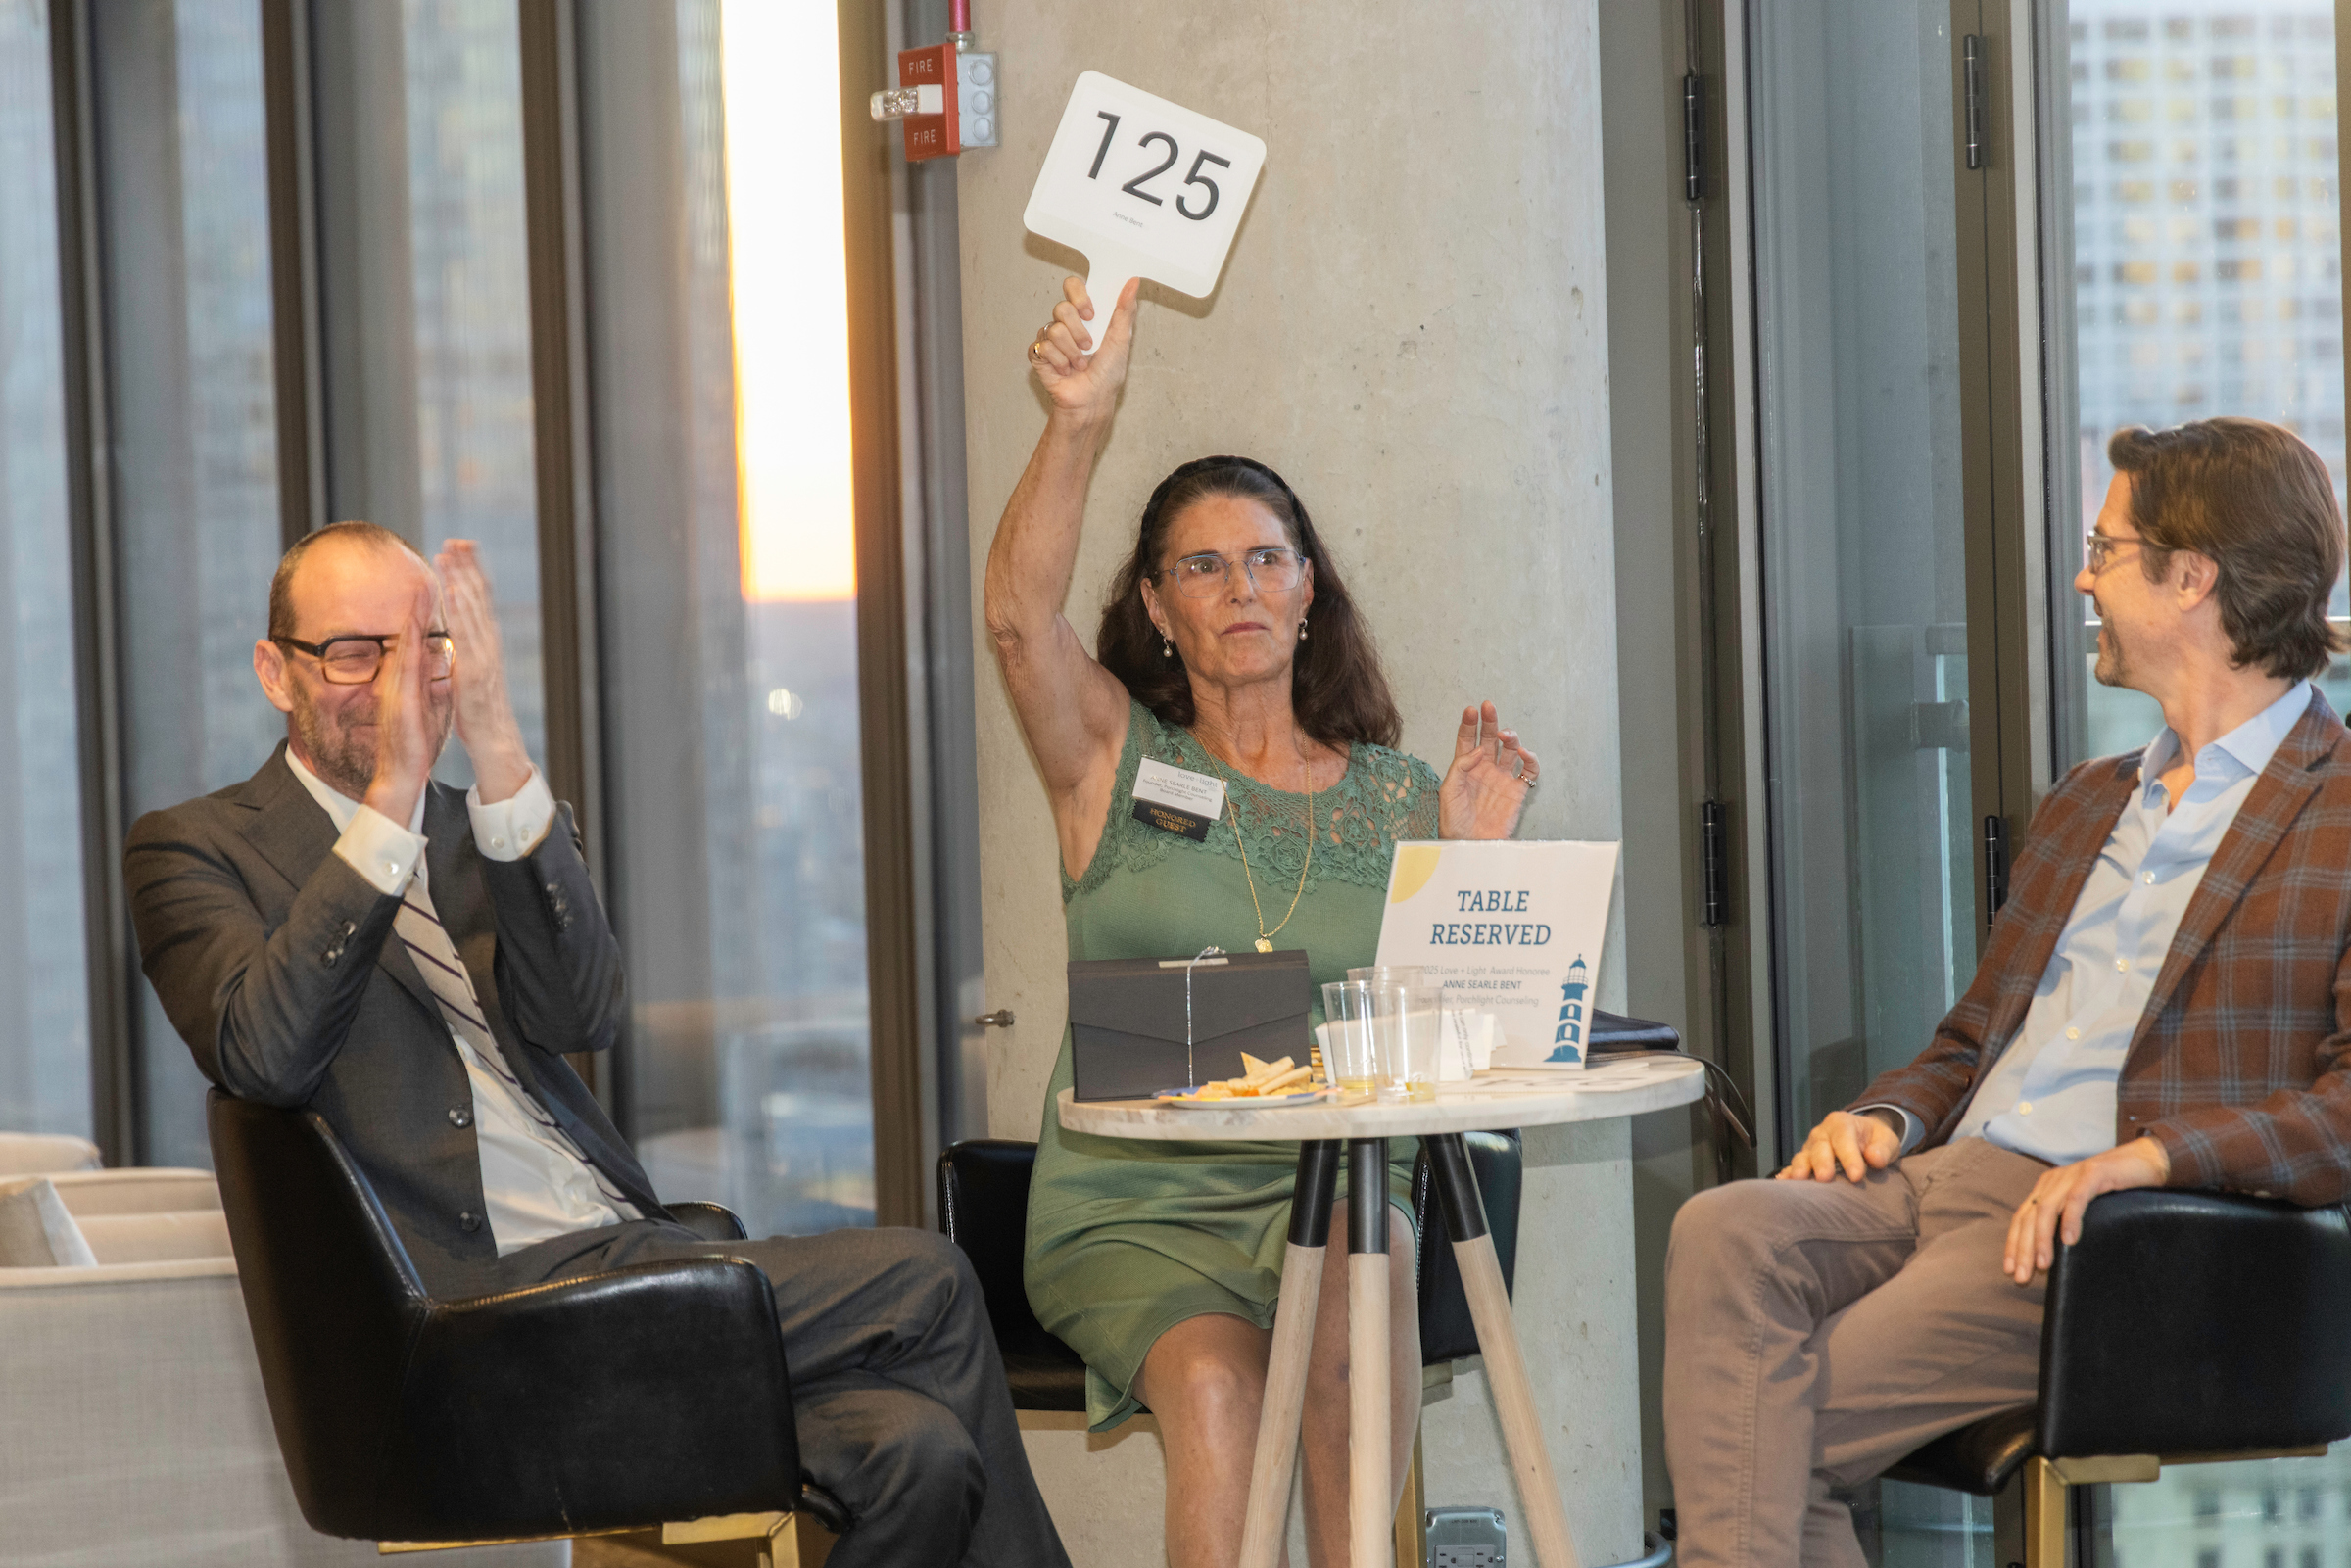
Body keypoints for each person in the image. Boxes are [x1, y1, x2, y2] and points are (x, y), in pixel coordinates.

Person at [124, 522, 1070, 1568]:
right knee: (931, 1276)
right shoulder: (195, 846)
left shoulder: (491, 825)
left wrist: (497, 752)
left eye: (425, 645)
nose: (395, 685)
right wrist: (387, 802)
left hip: (622, 1265)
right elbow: (265, 1054)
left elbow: (584, 1016)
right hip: (472, 1314)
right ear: (276, 671)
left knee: (919, 1452)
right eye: (356, 652)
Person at [1661, 416, 2351, 1568]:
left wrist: (2151, 1159)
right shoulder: (2088, 799)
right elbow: (1975, 1035)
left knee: (1771, 1430)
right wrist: (1886, 1116)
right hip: (1948, 1174)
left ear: (2192, 577)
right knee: (1726, 1225)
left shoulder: (2339, 809)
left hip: (2104, 1231)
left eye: (2105, 550)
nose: (2084, 577)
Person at [988, 277, 1541, 1568]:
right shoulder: (1112, 759)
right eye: (1202, 565)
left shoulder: (1404, 795)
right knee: (1219, 1392)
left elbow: (1462, 1038)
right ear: (1158, 607)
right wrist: (1078, 420)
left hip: (1340, 1189)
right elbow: (1018, 623)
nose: (1238, 585)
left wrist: (1470, 870)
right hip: (1139, 1201)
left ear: (1307, 592)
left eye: (1266, 559)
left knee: (1360, 1294)